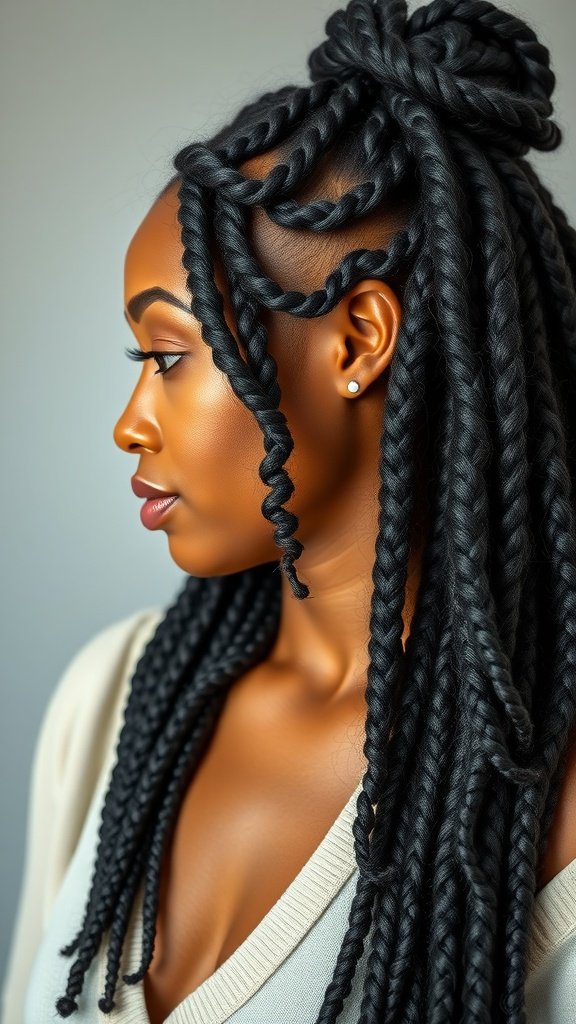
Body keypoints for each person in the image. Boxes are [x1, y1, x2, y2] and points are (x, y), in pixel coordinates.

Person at [2, 0, 576, 1021]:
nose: (129, 425)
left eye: (167, 357)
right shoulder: (117, 698)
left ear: (359, 340)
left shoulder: (541, 805)